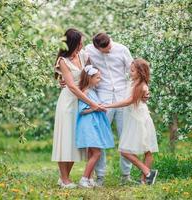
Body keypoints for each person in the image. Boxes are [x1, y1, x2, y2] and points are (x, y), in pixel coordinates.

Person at [51, 28, 105, 189]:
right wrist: (93, 103)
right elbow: (73, 88)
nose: (82, 45)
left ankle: (64, 178)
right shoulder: (63, 60)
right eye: (80, 42)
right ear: (72, 43)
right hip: (68, 103)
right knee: (65, 139)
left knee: (76, 140)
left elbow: (90, 74)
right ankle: (64, 179)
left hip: (81, 102)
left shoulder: (83, 56)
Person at [85, 33, 134, 185]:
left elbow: (134, 71)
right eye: (104, 50)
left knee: (125, 137)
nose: (108, 51)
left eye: (109, 48)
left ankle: (126, 176)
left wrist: (141, 91)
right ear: (96, 47)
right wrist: (63, 80)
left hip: (123, 97)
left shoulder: (121, 49)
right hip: (102, 99)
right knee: (99, 139)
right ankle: (100, 177)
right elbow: (79, 69)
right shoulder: (88, 51)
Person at [105, 58, 159, 185]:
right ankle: (146, 176)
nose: (130, 72)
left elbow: (129, 101)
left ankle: (146, 175)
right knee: (134, 150)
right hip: (132, 118)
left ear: (140, 72)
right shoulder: (132, 83)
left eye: (133, 71)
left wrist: (109, 105)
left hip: (138, 119)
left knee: (135, 150)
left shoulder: (141, 86)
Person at [76, 65, 115, 188]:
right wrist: (96, 108)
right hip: (88, 125)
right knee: (97, 153)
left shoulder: (92, 91)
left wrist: (99, 108)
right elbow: (82, 110)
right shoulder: (85, 92)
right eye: (97, 77)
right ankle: (84, 179)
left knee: (93, 152)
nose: (100, 80)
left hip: (94, 125)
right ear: (89, 78)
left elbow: (95, 106)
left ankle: (89, 179)